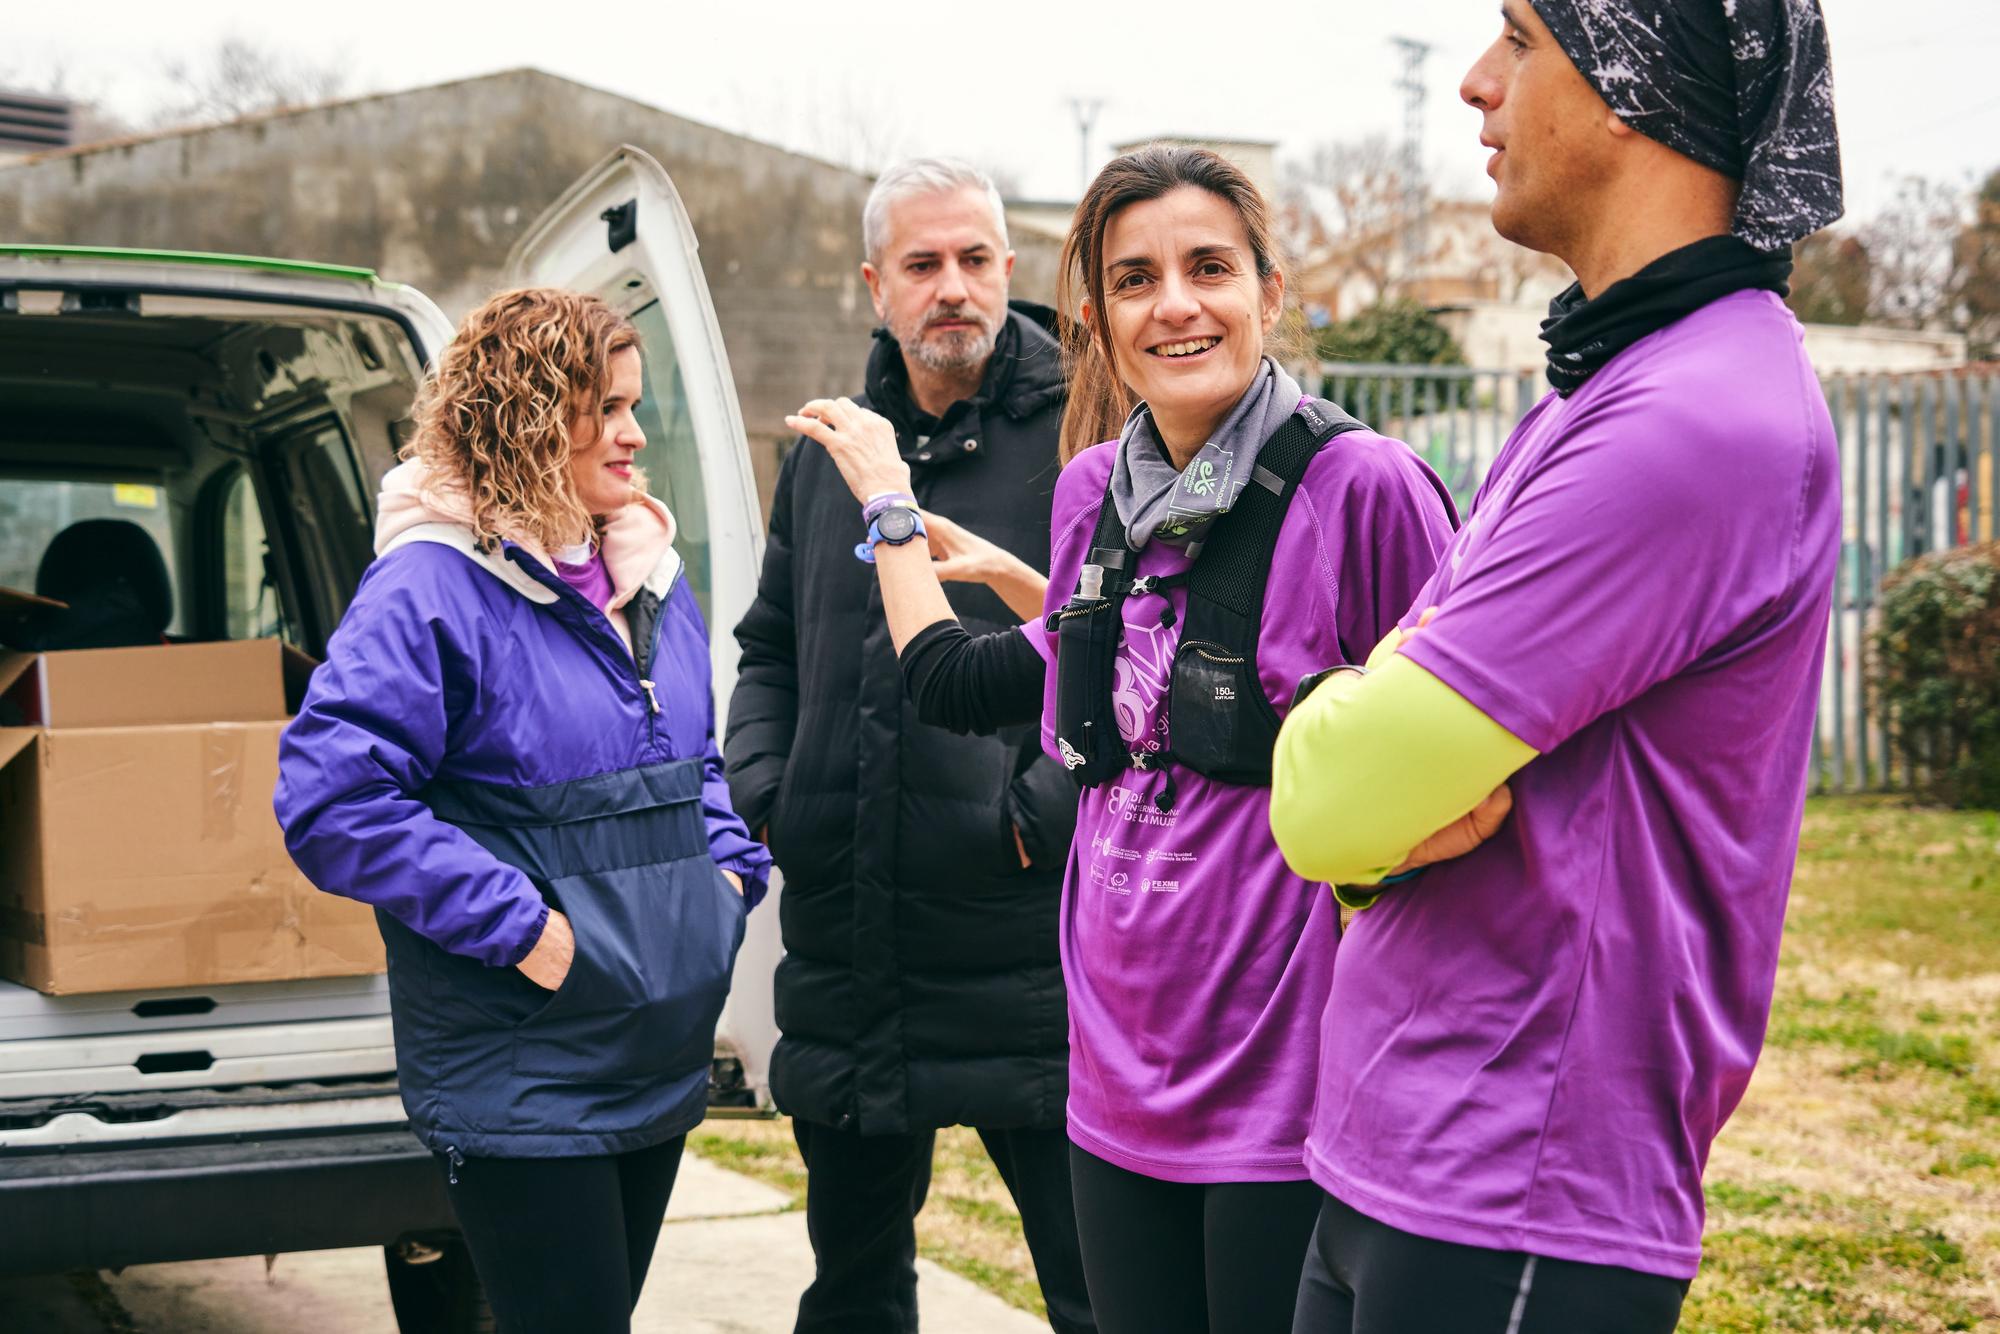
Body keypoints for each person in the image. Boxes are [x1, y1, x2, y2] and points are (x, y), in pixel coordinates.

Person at [786, 145, 1458, 1334]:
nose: (1177, 304)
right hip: (1108, 1078)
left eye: (1209, 267)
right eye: (1137, 278)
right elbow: (966, 679)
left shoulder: (1364, 489)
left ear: (1269, 288)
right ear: (1095, 317)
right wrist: (895, 506)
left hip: (1282, 1088)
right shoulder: (1091, 493)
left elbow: (1455, 793)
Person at [1270, 3, 1845, 1329]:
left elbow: (1330, 799)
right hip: (1405, 1154)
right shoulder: (1603, 389)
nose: (1478, 84)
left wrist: (1351, 739)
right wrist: (1377, 761)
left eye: (1523, 39)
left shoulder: (1699, 420)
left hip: (1520, 1185)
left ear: (1642, 80)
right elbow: (1379, 796)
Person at [275, 288, 770, 1333]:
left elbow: (695, 762)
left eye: (636, 406)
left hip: (655, 1040)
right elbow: (331, 797)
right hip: (525, 1061)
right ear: (529, 415)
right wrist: (526, 930)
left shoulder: (649, 577)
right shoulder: (429, 587)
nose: (637, 435)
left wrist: (722, 883)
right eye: (610, 408)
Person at [724, 158, 1093, 1334]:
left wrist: (1034, 814)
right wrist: (775, 794)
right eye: (924, 265)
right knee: (853, 1292)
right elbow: (770, 647)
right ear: (875, 283)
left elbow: (1119, 647)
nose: (954, 289)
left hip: (1024, 944)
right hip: (852, 943)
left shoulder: (1090, 427)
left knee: (1096, 1289)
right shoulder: (829, 454)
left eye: (976, 260)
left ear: (1009, 269)